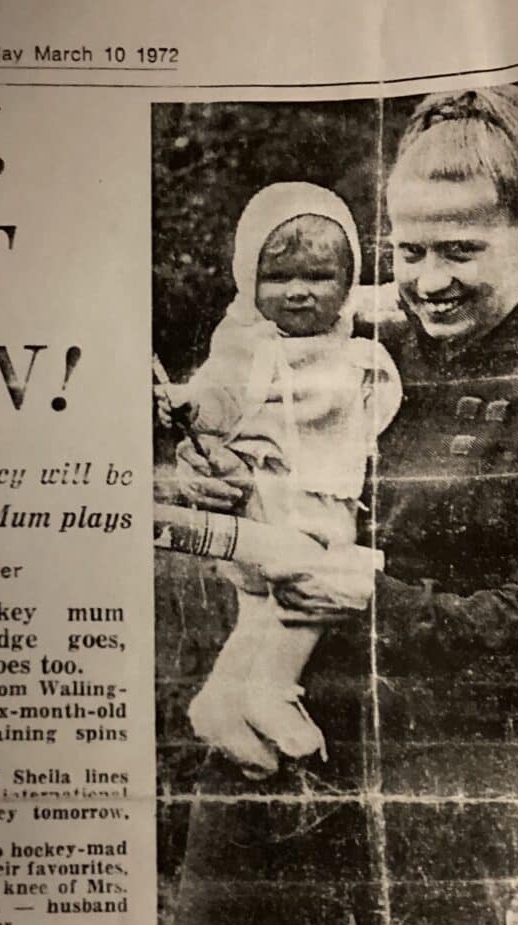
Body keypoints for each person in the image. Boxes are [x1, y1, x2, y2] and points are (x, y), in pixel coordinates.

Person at [169, 84, 518, 925]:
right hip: (263, 749)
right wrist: (214, 466)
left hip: (436, 780)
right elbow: (253, 399)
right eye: (408, 250)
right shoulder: (347, 323)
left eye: (461, 249)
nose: (427, 280)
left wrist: (379, 607)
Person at [156, 181, 401, 767]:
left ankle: (222, 701)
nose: (299, 292)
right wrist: (190, 407)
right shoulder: (247, 340)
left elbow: (394, 297)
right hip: (283, 495)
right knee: (315, 580)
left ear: (346, 281)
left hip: (316, 487)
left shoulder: (346, 321)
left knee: (263, 611)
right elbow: (220, 394)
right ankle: (272, 690)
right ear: (247, 278)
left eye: (320, 278)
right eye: (279, 277)